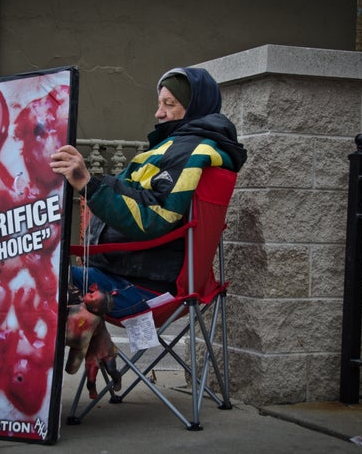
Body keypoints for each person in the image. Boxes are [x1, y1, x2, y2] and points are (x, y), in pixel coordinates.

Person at [50, 67, 247, 320]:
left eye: (169, 104)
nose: (159, 112)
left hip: (143, 287)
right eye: (159, 103)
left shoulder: (193, 151)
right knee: (39, 269)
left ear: (195, 107)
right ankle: (97, 344)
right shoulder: (178, 146)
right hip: (127, 274)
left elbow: (154, 216)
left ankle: (71, 345)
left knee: (38, 274)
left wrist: (88, 183)